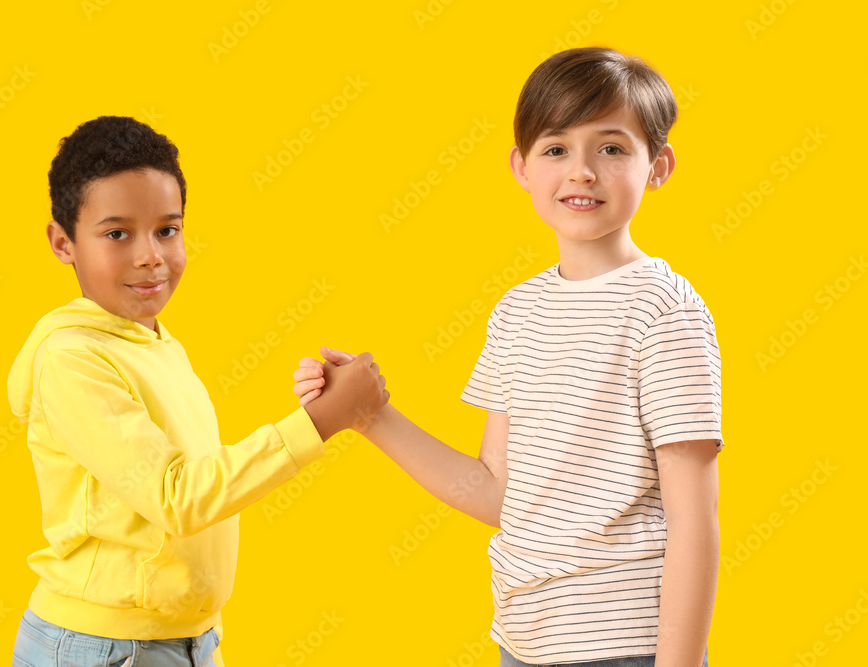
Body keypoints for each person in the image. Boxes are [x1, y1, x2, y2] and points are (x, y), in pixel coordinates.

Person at [293, 47, 722, 666]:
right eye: (556, 149)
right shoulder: (517, 312)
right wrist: (369, 416)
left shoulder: (664, 310)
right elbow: (498, 493)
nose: (581, 172)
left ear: (658, 165)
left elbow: (694, 521)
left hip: (626, 647)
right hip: (522, 641)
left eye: (611, 147)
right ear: (521, 167)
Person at [7, 115, 388, 667]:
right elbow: (176, 497)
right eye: (118, 233)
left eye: (167, 229)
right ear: (62, 243)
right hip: (103, 649)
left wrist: (320, 406)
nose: (150, 255)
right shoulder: (72, 360)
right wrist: (320, 422)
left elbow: (199, 485)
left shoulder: (155, 343)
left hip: (185, 640)